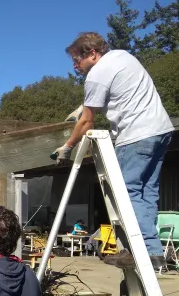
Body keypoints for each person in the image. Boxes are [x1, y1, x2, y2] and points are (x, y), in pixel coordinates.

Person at [53, 32, 175, 268]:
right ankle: (154, 251)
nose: (76, 66)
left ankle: (140, 252)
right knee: (146, 194)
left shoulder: (95, 76)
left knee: (126, 194)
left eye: (77, 60)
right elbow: (120, 91)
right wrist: (84, 106)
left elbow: (87, 122)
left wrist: (67, 147)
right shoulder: (124, 56)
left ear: (92, 53)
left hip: (135, 136)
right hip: (161, 131)